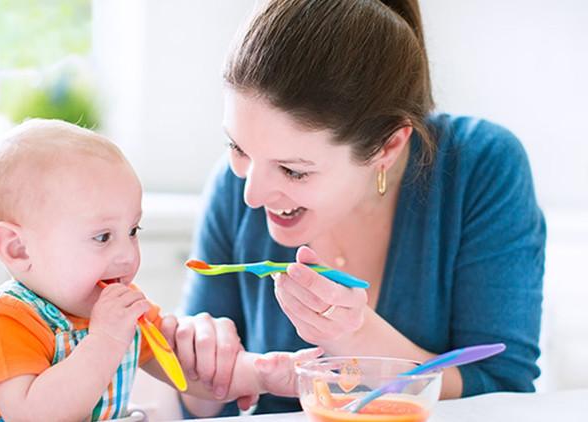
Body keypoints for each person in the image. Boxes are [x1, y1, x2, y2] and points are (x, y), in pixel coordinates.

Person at [169, 0, 546, 417]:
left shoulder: (480, 167)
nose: (251, 196)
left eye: (293, 171)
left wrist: (357, 337)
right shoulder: (233, 183)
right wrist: (201, 370)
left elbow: (502, 386)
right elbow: (203, 409)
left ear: (388, 147)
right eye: (237, 147)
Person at [0, 119, 323, 421]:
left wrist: (265, 373)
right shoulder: (6, 326)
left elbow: (191, 373)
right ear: (18, 248)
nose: (127, 256)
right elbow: (36, 413)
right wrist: (105, 341)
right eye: (102, 237)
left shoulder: (120, 311)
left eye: (132, 231)